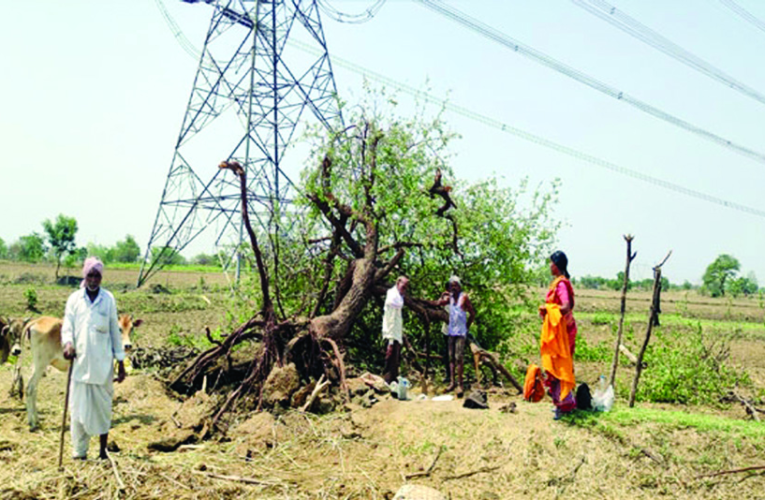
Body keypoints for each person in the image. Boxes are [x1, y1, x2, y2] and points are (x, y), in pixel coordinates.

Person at [62, 257, 127, 460]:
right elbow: (67, 326)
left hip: (102, 367)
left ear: (101, 277)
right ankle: (79, 452)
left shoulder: (108, 299)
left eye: (97, 275)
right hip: (80, 365)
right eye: (90, 275)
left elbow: (116, 333)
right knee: (78, 411)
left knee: (103, 409)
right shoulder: (74, 299)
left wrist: (121, 362)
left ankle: (102, 451)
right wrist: (68, 344)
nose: (93, 279)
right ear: (85, 276)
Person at [538, 250, 577, 419]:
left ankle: (564, 404)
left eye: (551, 263)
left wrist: (549, 309)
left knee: (560, 366)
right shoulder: (557, 283)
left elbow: (566, 306)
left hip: (563, 332)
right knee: (556, 365)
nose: (549, 266)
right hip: (558, 331)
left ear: (557, 265)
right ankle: (561, 402)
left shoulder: (561, 284)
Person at [437, 276, 475, 398]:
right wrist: (443, 295)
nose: (453, 287)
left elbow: (472, 313)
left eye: (455, 285)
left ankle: (460, 385)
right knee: (451, 358)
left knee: (459, 357)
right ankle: (452, 383)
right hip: (449, 332)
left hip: (460, 333)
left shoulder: (464, 298)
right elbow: (438, 304)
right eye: (451, 285)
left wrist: (466, 326)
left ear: (459, 286)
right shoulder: (450, 298)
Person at [382, 276, 409, 384]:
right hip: (391, 334)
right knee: (390, 358)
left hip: (396, 333)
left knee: (395, 360)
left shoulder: (398, 296)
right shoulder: (392, 297)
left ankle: (394, 382)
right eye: (403, 286)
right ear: (398, 283)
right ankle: (387, 382)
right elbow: (391, 320)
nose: (404, 289)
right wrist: (391, 341)